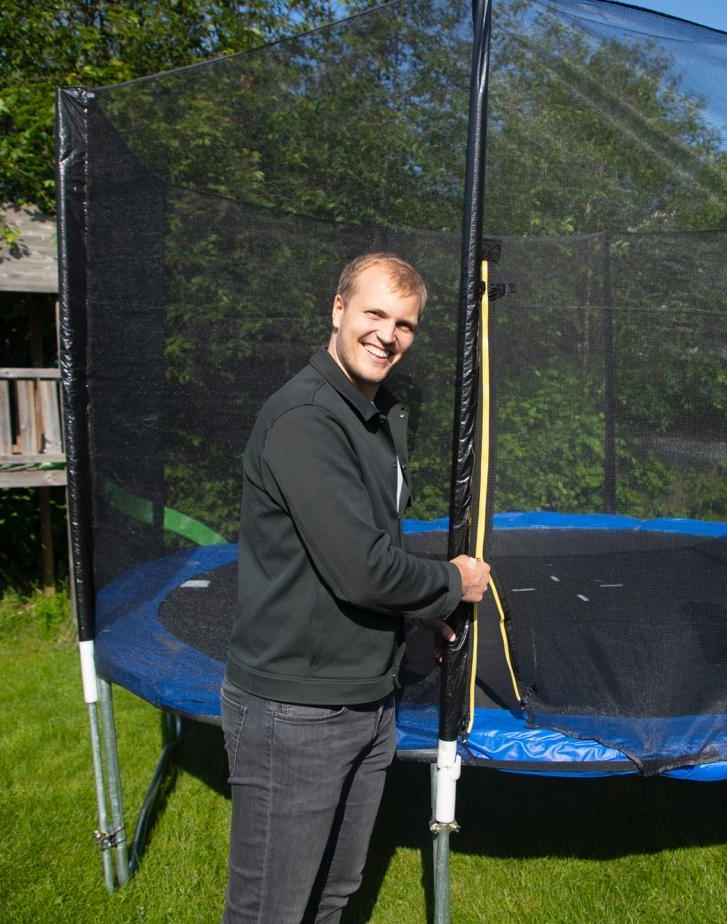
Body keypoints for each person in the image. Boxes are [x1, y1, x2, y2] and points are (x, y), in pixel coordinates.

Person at [222, 252, 491, 922]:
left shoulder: (373, 416)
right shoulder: (308, 419)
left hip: (364, 701)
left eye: (404, 323)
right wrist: (450, 582)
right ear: (338, 310)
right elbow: (362, 568)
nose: (387, 334)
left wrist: (421, 610)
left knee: (333, 896)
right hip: (296, 708)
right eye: (374, 313)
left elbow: (364, 545)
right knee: (271, 912)